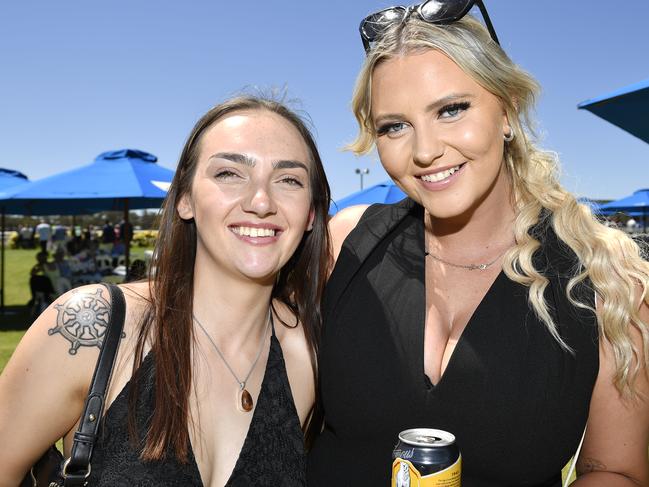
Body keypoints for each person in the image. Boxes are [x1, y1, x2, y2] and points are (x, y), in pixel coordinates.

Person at [307, 3, 649, 486]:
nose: (425, 151)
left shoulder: (608, 284)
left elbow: (616, 471)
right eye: (394, 126)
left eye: (451, 109)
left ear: (506, 112)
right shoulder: (347, 244)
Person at [0, 95, 331, 486]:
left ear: (310, 214)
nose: (261, 201)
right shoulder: (90, 326)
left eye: (289, 179)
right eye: (229, 173)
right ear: (186, 199)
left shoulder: (307, 356)